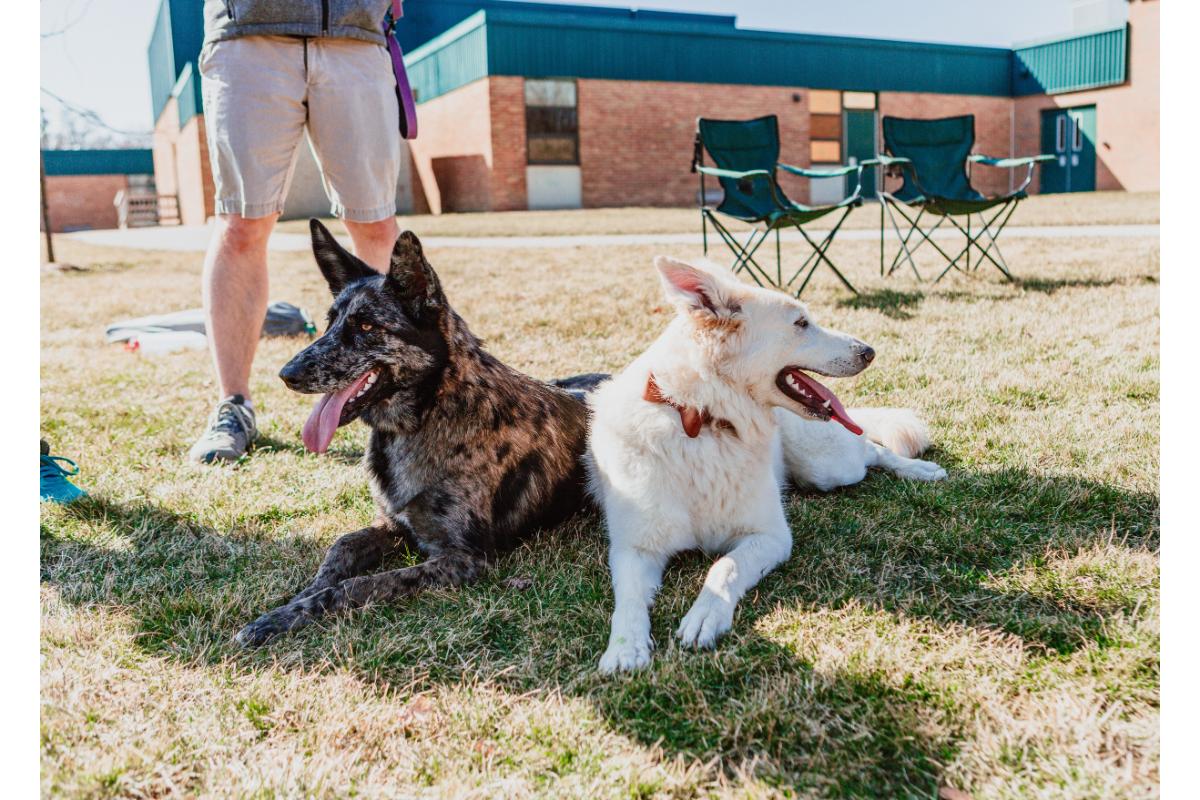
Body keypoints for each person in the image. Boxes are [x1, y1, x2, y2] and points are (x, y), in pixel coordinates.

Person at [189, 0, 402, 463]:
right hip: (248, 35)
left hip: (357, 39)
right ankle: (235, 405)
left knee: (376, 222)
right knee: (242, 223)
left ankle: (400, 398)